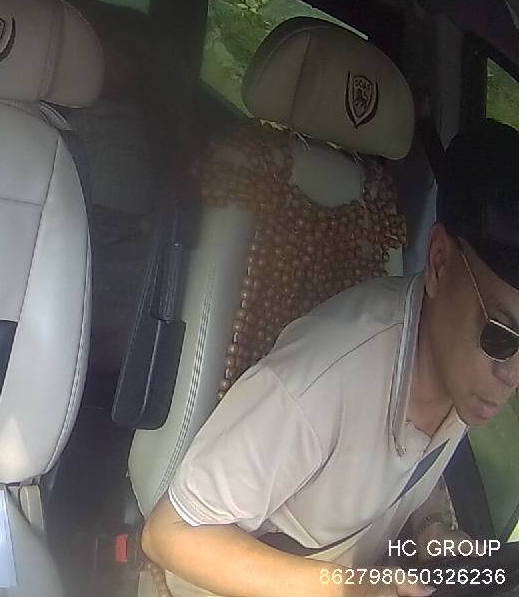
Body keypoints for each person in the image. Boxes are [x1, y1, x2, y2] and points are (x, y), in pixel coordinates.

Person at [141, 119, 519, 597]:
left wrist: (431, 531)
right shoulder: (320, 382)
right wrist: (352, 588)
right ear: (440, 264)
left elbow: (399, 474)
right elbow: (169, 534)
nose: (512, 376)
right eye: (501, 336)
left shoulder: (463, 367)